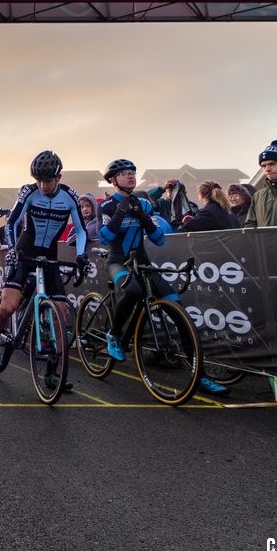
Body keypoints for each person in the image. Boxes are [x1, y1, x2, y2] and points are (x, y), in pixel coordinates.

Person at [96, 158, 228, 396]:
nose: (131, 176)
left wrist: (145, 218)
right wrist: (122, 210)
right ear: (113, 180)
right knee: (134, 290)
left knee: (179, 313)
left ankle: (201, 377)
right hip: (117, 262)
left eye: (133, 172)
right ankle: (114, 335)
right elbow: (104, 237)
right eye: (125, 173)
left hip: (143, 263)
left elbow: (158, 239)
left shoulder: (145, 204)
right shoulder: (106, 206)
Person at [0, 150, 87, 392]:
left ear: (59, 177)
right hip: (24, 253)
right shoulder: (29, 192)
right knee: (10, 305)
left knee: (60, 314)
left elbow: (82, 231)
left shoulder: (70, 197)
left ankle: (53, 373)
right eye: (38, 180)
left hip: (49, 256)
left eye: (48, 180)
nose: (42, 185)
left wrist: (81, 255)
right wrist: (12, 249)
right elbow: (11, 222)